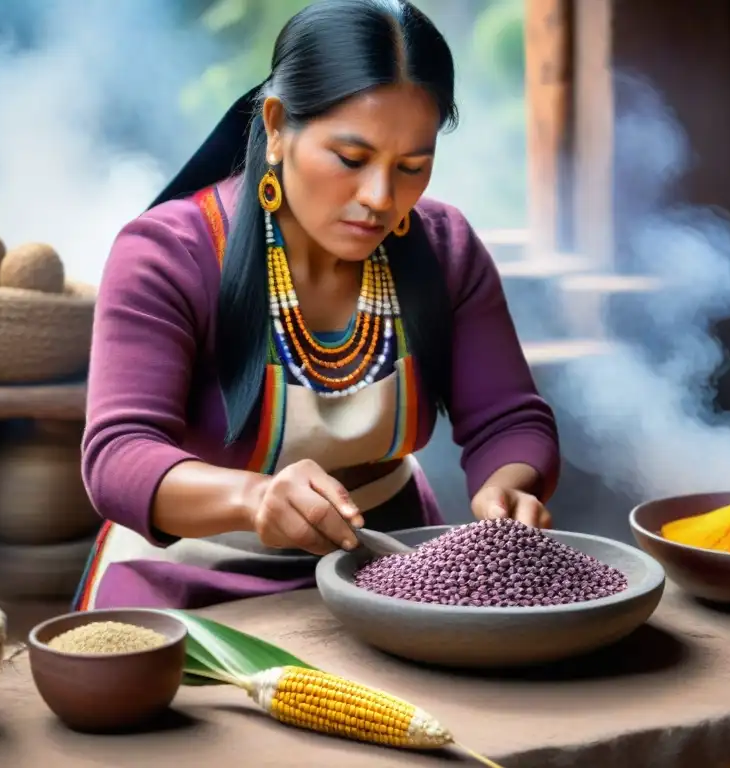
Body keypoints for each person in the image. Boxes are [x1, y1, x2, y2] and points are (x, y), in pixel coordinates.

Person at [73, 0, 560, 611]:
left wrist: (508, 487)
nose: (381, 198)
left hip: (389, 566)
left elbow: (509, 419)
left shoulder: (445, 247)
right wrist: (255, 500)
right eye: (351, 160)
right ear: (276, 127)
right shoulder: (169, 254)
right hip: (191, 577)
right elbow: (118, 454)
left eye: (412, 167)